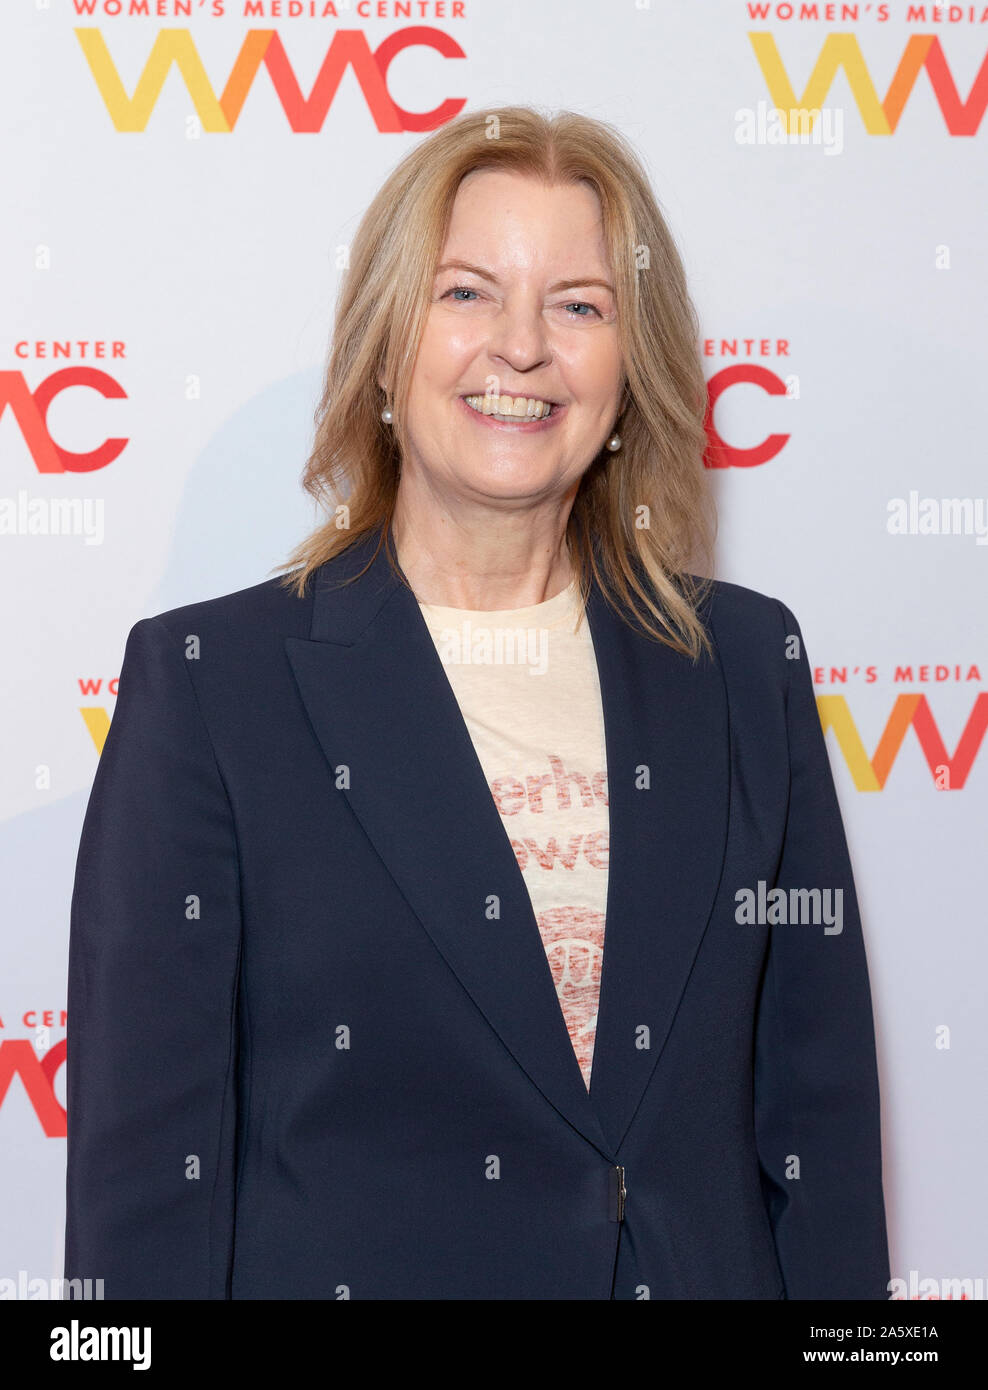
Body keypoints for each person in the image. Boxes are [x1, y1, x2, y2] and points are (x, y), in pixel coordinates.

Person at [63, 106, 890, 1300]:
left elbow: (816, 1118)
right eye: (465, 293)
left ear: (628, 363)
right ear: (386, 347)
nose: (521, 348)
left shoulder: (744, 661)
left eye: (579, 304)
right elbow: (146, 1186)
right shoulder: (212, 684)